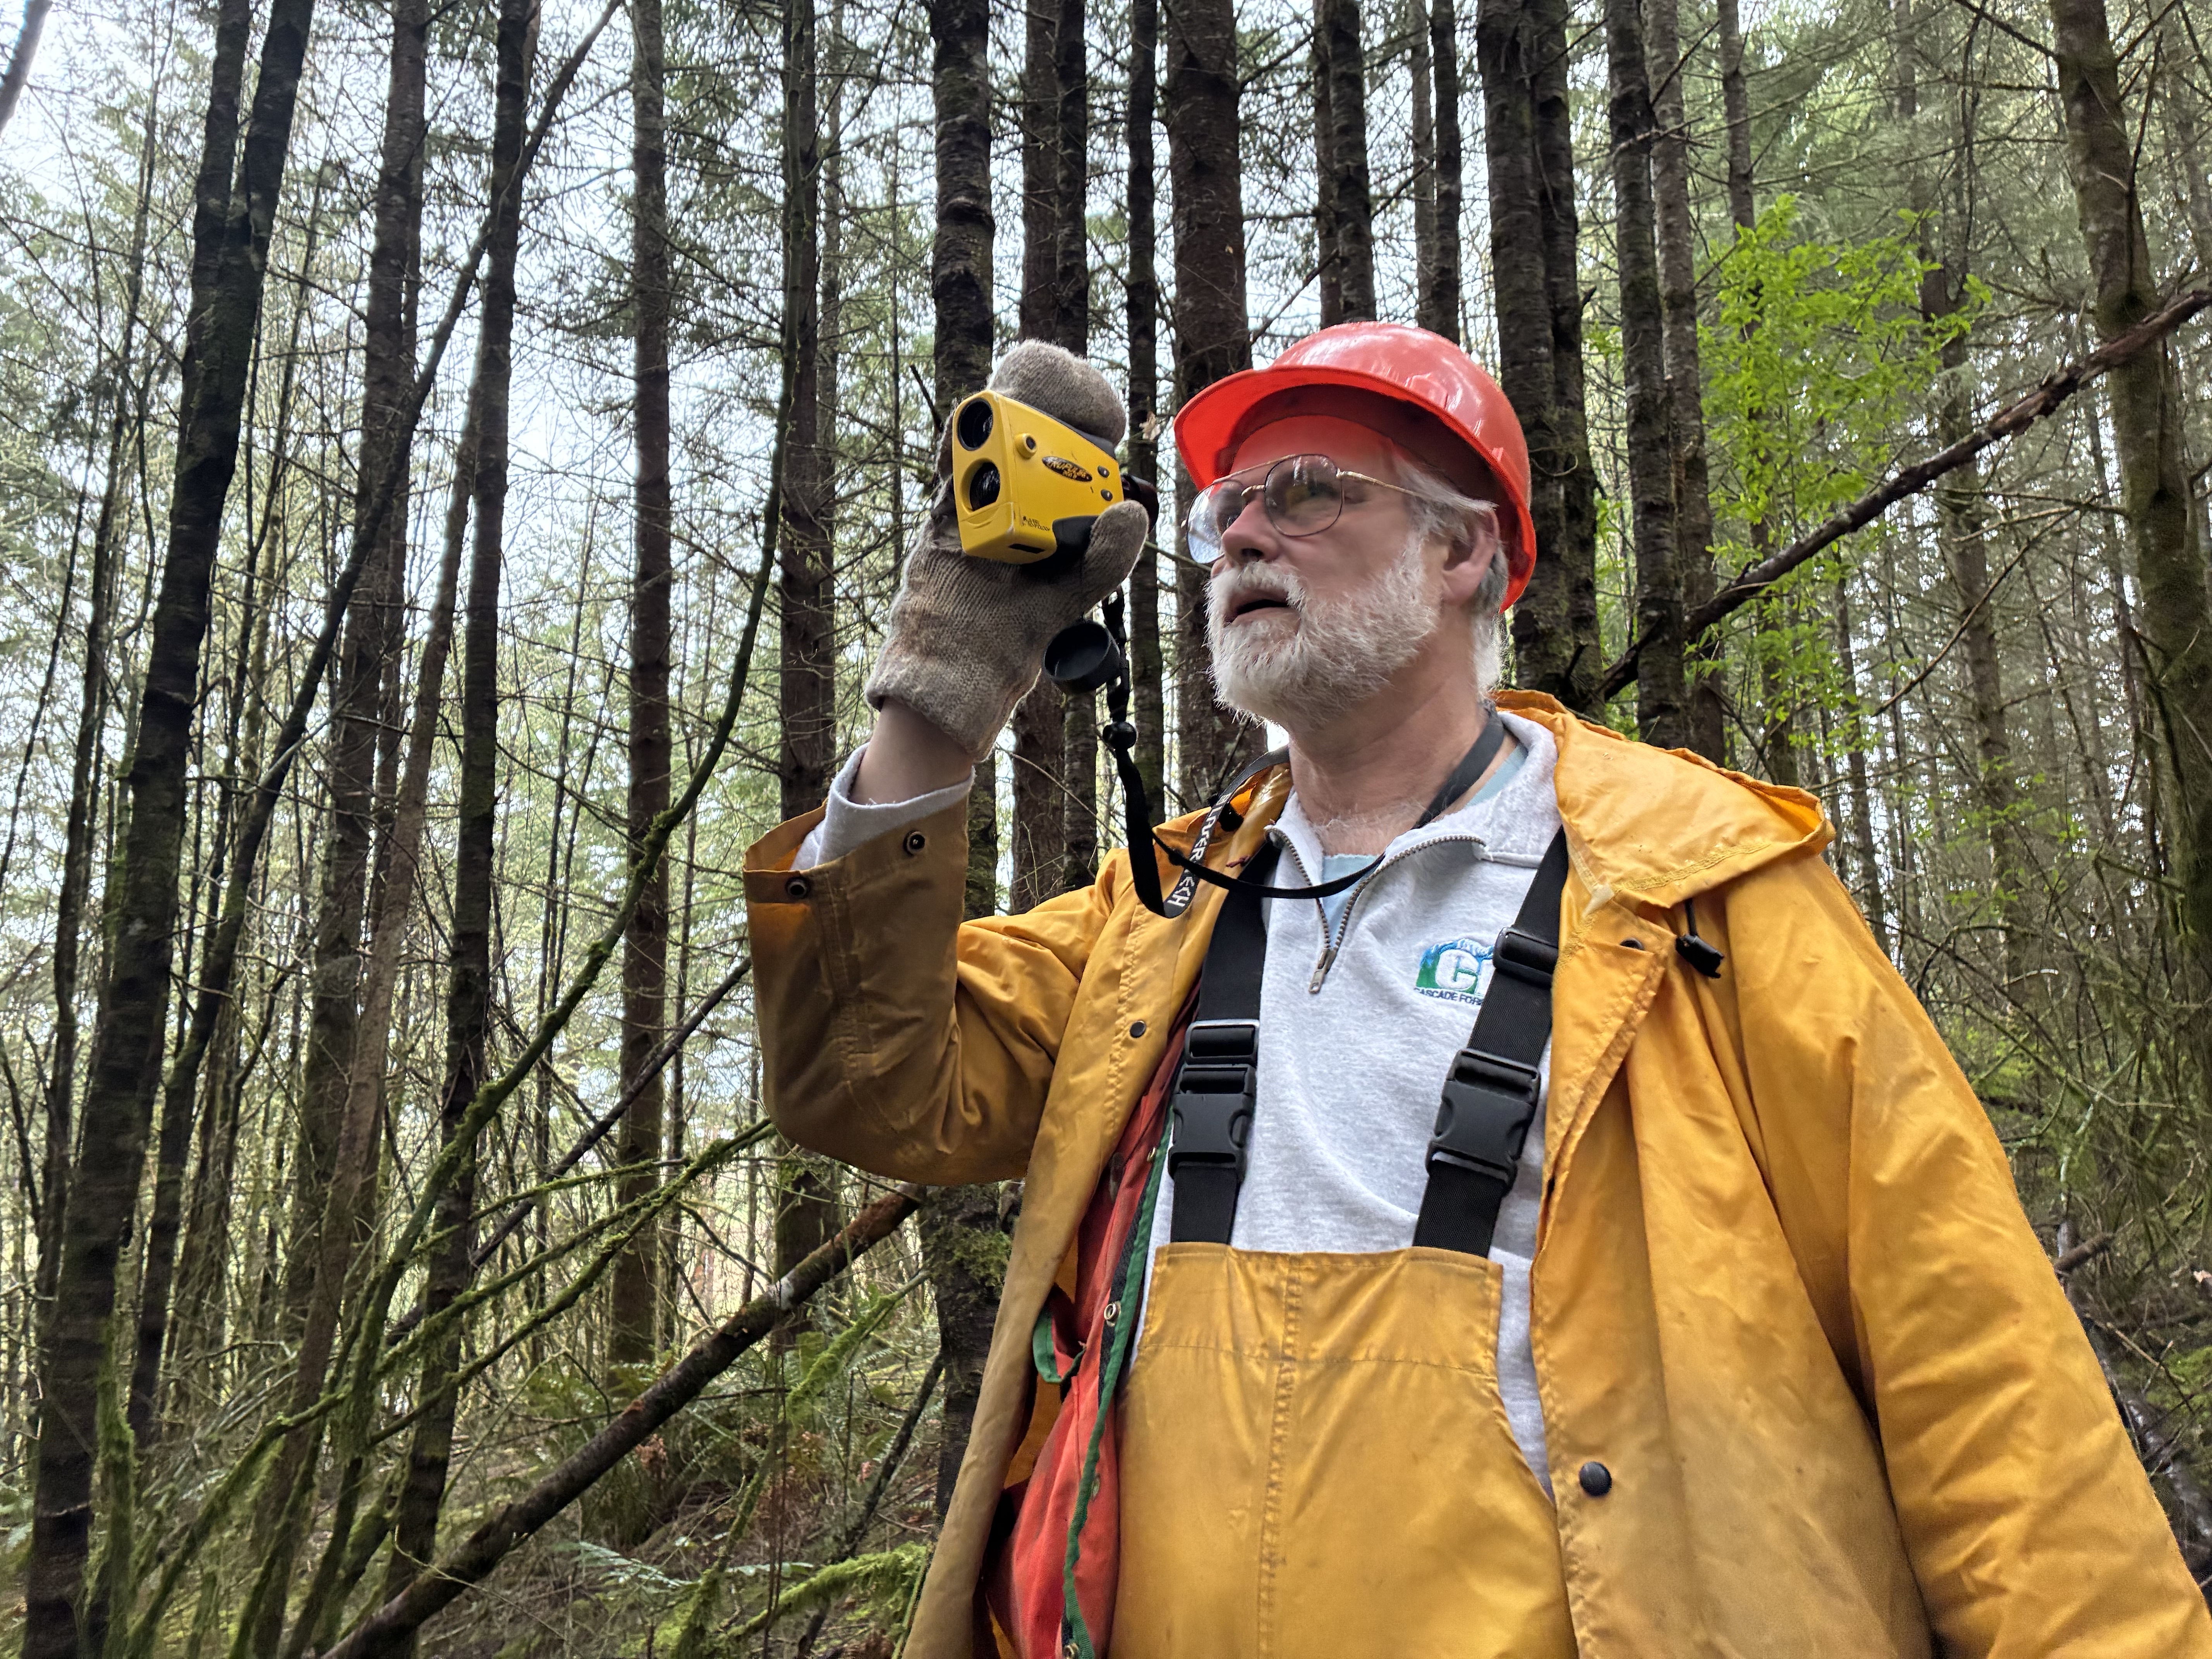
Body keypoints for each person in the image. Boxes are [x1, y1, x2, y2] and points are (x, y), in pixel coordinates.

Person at [744, 323, 2211, 1658]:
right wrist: (940, 684)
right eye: (1223, 509)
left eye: (1309, 490)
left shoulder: (1702, 891)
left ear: (1468, 556)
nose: (1244, 528)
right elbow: (869, 1078)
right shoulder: (1159, 910)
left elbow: (1983, 1369)